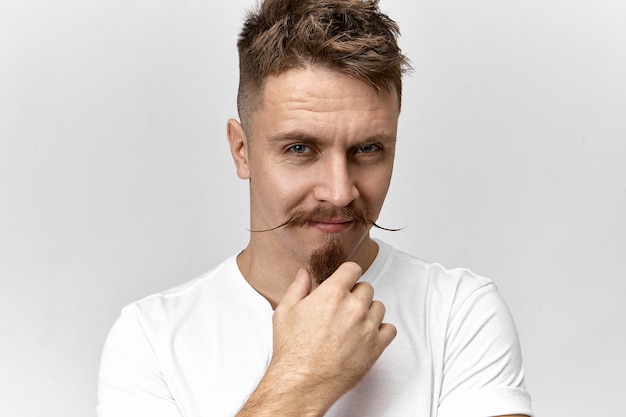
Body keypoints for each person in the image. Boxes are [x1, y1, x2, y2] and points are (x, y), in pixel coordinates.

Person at [97, 0, 533, 416]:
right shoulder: (150, 339)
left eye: (368, 148)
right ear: (242, 150)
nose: (340, 192)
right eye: (301, 148)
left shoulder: (459, 313)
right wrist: (303, 377)